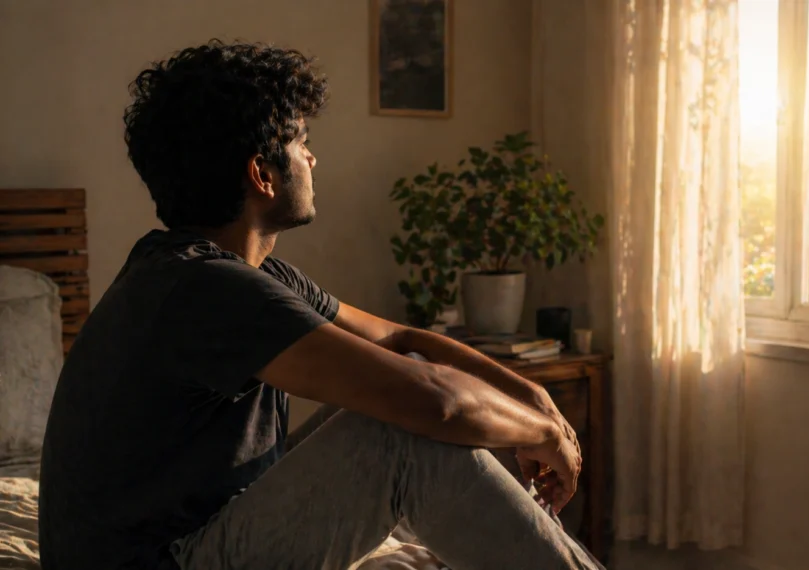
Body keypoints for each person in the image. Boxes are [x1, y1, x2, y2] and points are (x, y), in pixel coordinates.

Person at [37, 40, 603, 570]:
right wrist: (542, 433)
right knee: (399, 434)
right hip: (166, 560)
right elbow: (439, 404)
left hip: (203, 533)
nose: (313, 158)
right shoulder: (204, 288)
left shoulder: (237, 272)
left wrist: (534, 396)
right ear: (262, 175)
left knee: (388, 400)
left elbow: (399, 342)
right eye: (299, 143)